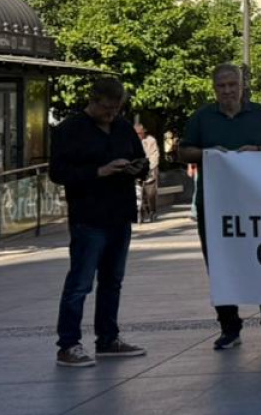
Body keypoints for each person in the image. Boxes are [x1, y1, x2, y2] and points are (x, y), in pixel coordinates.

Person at [179, 64, 261, 350]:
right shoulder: (202, 117)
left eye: (232, 85)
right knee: (219, 266)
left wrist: (259, 151)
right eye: (221, 86)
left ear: (241, 86)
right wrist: (207, 154)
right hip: (214, 205)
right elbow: (182, 151)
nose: (227, 91)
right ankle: (229, 327)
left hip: (257, 204)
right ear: (214, 89)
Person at [51, 77, 148, 368]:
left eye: (116, 108)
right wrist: (100, 171)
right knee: (80, 283)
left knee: (112, 281)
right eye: (107, 108)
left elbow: (140, 157)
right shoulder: (70, 129)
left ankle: (108, 338)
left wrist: (137, 168)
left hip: (120, 213)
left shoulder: (122, 126)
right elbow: (57, 172)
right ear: (93, 101)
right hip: (88, 216)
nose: (111, 114)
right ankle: (68, 344)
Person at [135, 121, 160, 223]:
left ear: (143, 132)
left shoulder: (151, 140)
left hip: (149, 169)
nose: (138, 136)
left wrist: (149, 168)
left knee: (150, 193)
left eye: (139, 133)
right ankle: (140, 212)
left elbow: (155, 155)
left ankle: (152, 211)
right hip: (136, 170)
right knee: (138, 193)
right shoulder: (129, 141)